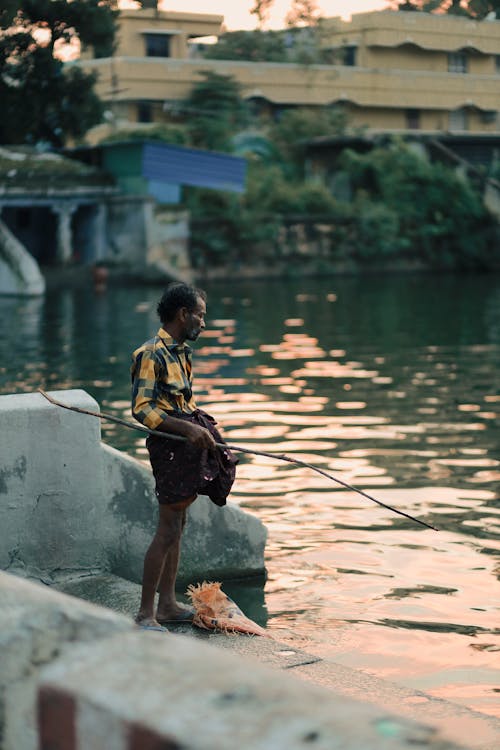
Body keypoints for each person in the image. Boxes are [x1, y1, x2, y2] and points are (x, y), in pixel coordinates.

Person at [130, 282, 237, 631]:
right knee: (166, 530)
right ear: (183, 314)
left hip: (185, 448)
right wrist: (188, 430)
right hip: (169, 448)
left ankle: (168, 604)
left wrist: (199, 429)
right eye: (200, 316)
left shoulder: (181, 353)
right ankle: (146, 614)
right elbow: (142, 410)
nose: (203, 324)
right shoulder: (151, 354)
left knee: (178, 527)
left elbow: (181, 404)